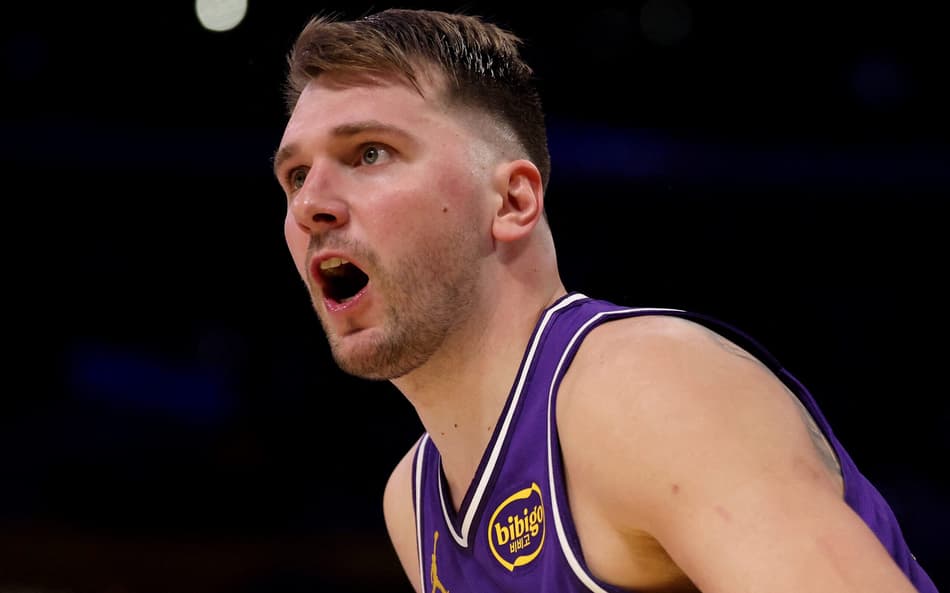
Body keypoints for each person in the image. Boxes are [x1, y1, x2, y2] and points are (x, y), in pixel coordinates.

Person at [271, 8, 938, 593]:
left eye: (369, 154)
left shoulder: (642, 388)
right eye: (296, 175)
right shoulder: (414, 500)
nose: (310, 205)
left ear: (512, 201)